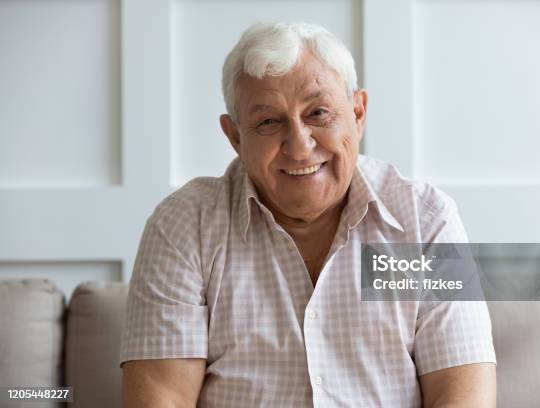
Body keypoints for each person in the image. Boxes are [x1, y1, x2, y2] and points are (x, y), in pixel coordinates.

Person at [120, 21, 496, 407]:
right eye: (268, 121)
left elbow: (461, 394)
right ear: (235, 137)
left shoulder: (426, 221)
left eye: (318, 113)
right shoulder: (185, 225)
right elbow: (161, 398)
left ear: (358, 112)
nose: (300, 147)